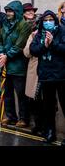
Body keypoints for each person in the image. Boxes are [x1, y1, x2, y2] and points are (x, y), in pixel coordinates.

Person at [29, 10, 65, 144]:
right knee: (48, 107)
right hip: (45, 76)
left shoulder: (62, 31)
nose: (48, 22)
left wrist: (53, 43)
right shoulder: (39, 34)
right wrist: (44, 45)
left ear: (55, 20)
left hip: (61, 75)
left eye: (51, 19)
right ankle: (50, 133)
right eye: (45, 20)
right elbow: (33, 50)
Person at [0, 1, 31, 127]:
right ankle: (10, 116)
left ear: (17, 12)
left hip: (18, 66)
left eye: (10, 11)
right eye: (7, 11)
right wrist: (1, 54)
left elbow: (20, 45)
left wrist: (6, 56)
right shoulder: (5, 24)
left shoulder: (24, 25)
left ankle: (23, 118)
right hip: (5, 64)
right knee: (8, 93)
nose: (8, 13)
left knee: (21, 94)